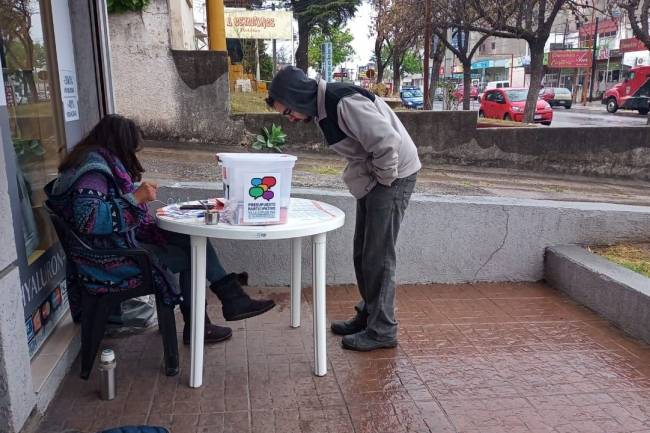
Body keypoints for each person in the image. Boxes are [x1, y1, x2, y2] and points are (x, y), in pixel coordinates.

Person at [45, 115, 275, 345]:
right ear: (119, 144)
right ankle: (204, 322)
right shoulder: (93, 173)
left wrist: (133, 193)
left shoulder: (89, 161)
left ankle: (230, 302)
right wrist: (135, 198)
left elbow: (105, 199)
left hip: (114, 246)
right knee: (193, 255)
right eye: (131, 149)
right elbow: (89, 219)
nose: (132, 156)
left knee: (190, 239)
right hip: (112, 259)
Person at [266, 67, 421, 351]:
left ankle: (382, 329)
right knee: (363, 252)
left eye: (288, 112)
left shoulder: (342, 102)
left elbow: (387, 141)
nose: (290, 119)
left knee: (379, 255)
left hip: (393, 176)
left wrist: (384, 181)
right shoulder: (323, 108)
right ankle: (369, 315)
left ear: (297, 97)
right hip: (378, 178)